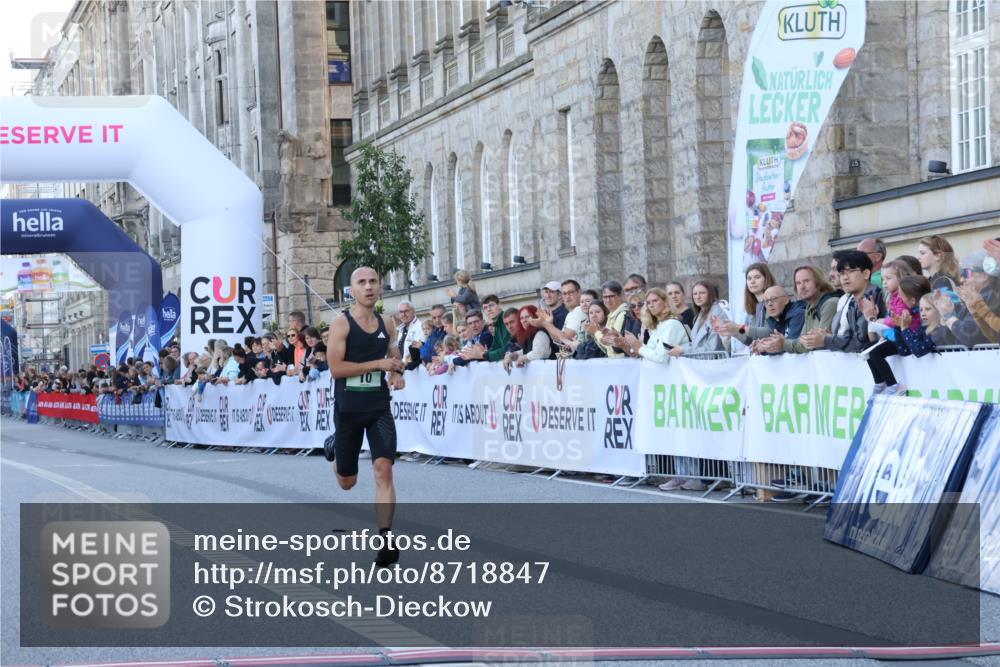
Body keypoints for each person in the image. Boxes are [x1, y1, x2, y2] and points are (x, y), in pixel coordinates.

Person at [325, 266, 405, 568]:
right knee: (347, 482)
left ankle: (386, 538)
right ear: (352, 290)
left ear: (380, 287)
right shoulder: (341, 324)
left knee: (384, 469)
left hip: (378, 408)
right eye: (362, 282)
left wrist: (396, 372)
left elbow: (394, 358)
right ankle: (334, 447)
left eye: (373, 281)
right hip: (348, 409)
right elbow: (336, 369)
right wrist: (377, 365)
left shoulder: (388, 323)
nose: (369, 287)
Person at [800, 250, 886, 353]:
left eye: (851, 271)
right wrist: (830, 337)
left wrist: (826, 340)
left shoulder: (874, 297)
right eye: (841, 273)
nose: (845, 277)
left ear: (866, 274)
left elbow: (860, 343)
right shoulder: (852, 301)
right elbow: (851, 338)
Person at [864, 275, 934, 394]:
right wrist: (898, 326)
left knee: (875, 353)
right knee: (868, 348)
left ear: (912, 301)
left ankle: (892, 384)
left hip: (906, 344)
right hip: (901, 341)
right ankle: (880, 381)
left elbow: (910, 349)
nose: (899, 298)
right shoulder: (910, 312)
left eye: (901, 296)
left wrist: (903, 327)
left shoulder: (917, 317)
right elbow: (903, 348)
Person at [762, 265, 838, 354]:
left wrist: (783, 343)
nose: (802, 287)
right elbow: (802, 342)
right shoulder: (809, 308)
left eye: (806, 281)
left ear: (818, 282)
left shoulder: (830, 304)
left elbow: (814, 344)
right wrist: (767, 345)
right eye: (798, 283)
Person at [621, 288, 690, 361]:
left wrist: (639, 348)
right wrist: (631, 345)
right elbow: (651, 351)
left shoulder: (672, 323)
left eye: (655, 301)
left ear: (665, 302)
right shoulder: (658, 324)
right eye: (648, 303)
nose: (651, 305)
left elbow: (661, 357)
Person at [716, 263, 776, 347]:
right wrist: (733, 331)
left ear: (766, 279)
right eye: (749, 278)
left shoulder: (773, 301)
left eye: (757, 277)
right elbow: (750, 339)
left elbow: (769, 332)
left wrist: (738, 327)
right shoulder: (756, 306)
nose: (752, 281)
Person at [671, 281, 729, 358]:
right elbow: (696, 344)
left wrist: (684, 350)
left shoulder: (717, 315)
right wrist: (680, 347)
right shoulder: (701, 313)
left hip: (715, 363)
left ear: (710, 294)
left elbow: (713, 350)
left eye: (702, 293)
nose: (698, 297)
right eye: (695, 294)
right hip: (701, 362)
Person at [745, 285, 804, 354]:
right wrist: (762, 347)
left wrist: (765, 348)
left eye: (774, 299)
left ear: (786, 300)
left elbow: (791, 347)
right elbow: (778, 346)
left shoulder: (797, 314)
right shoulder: (774, 320)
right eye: (766, 301)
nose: (770, 304)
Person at [459, 295, 511, 363]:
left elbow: (507, 349)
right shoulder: (497, 324)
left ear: (499, 305)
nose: (489, 309)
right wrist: (486, 353)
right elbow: (495, 346)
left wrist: (484, 355)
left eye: (491, 305)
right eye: (485, 308)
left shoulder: (506, 320)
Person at [503, 305, 555, 370]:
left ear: (535, 317)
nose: (524, 320)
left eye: (527, 317)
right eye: (521, 318)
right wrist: (511, 355)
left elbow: (538, 353)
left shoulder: (540, 333)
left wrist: (522, 358)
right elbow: (527, 350)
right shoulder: (529, 334)